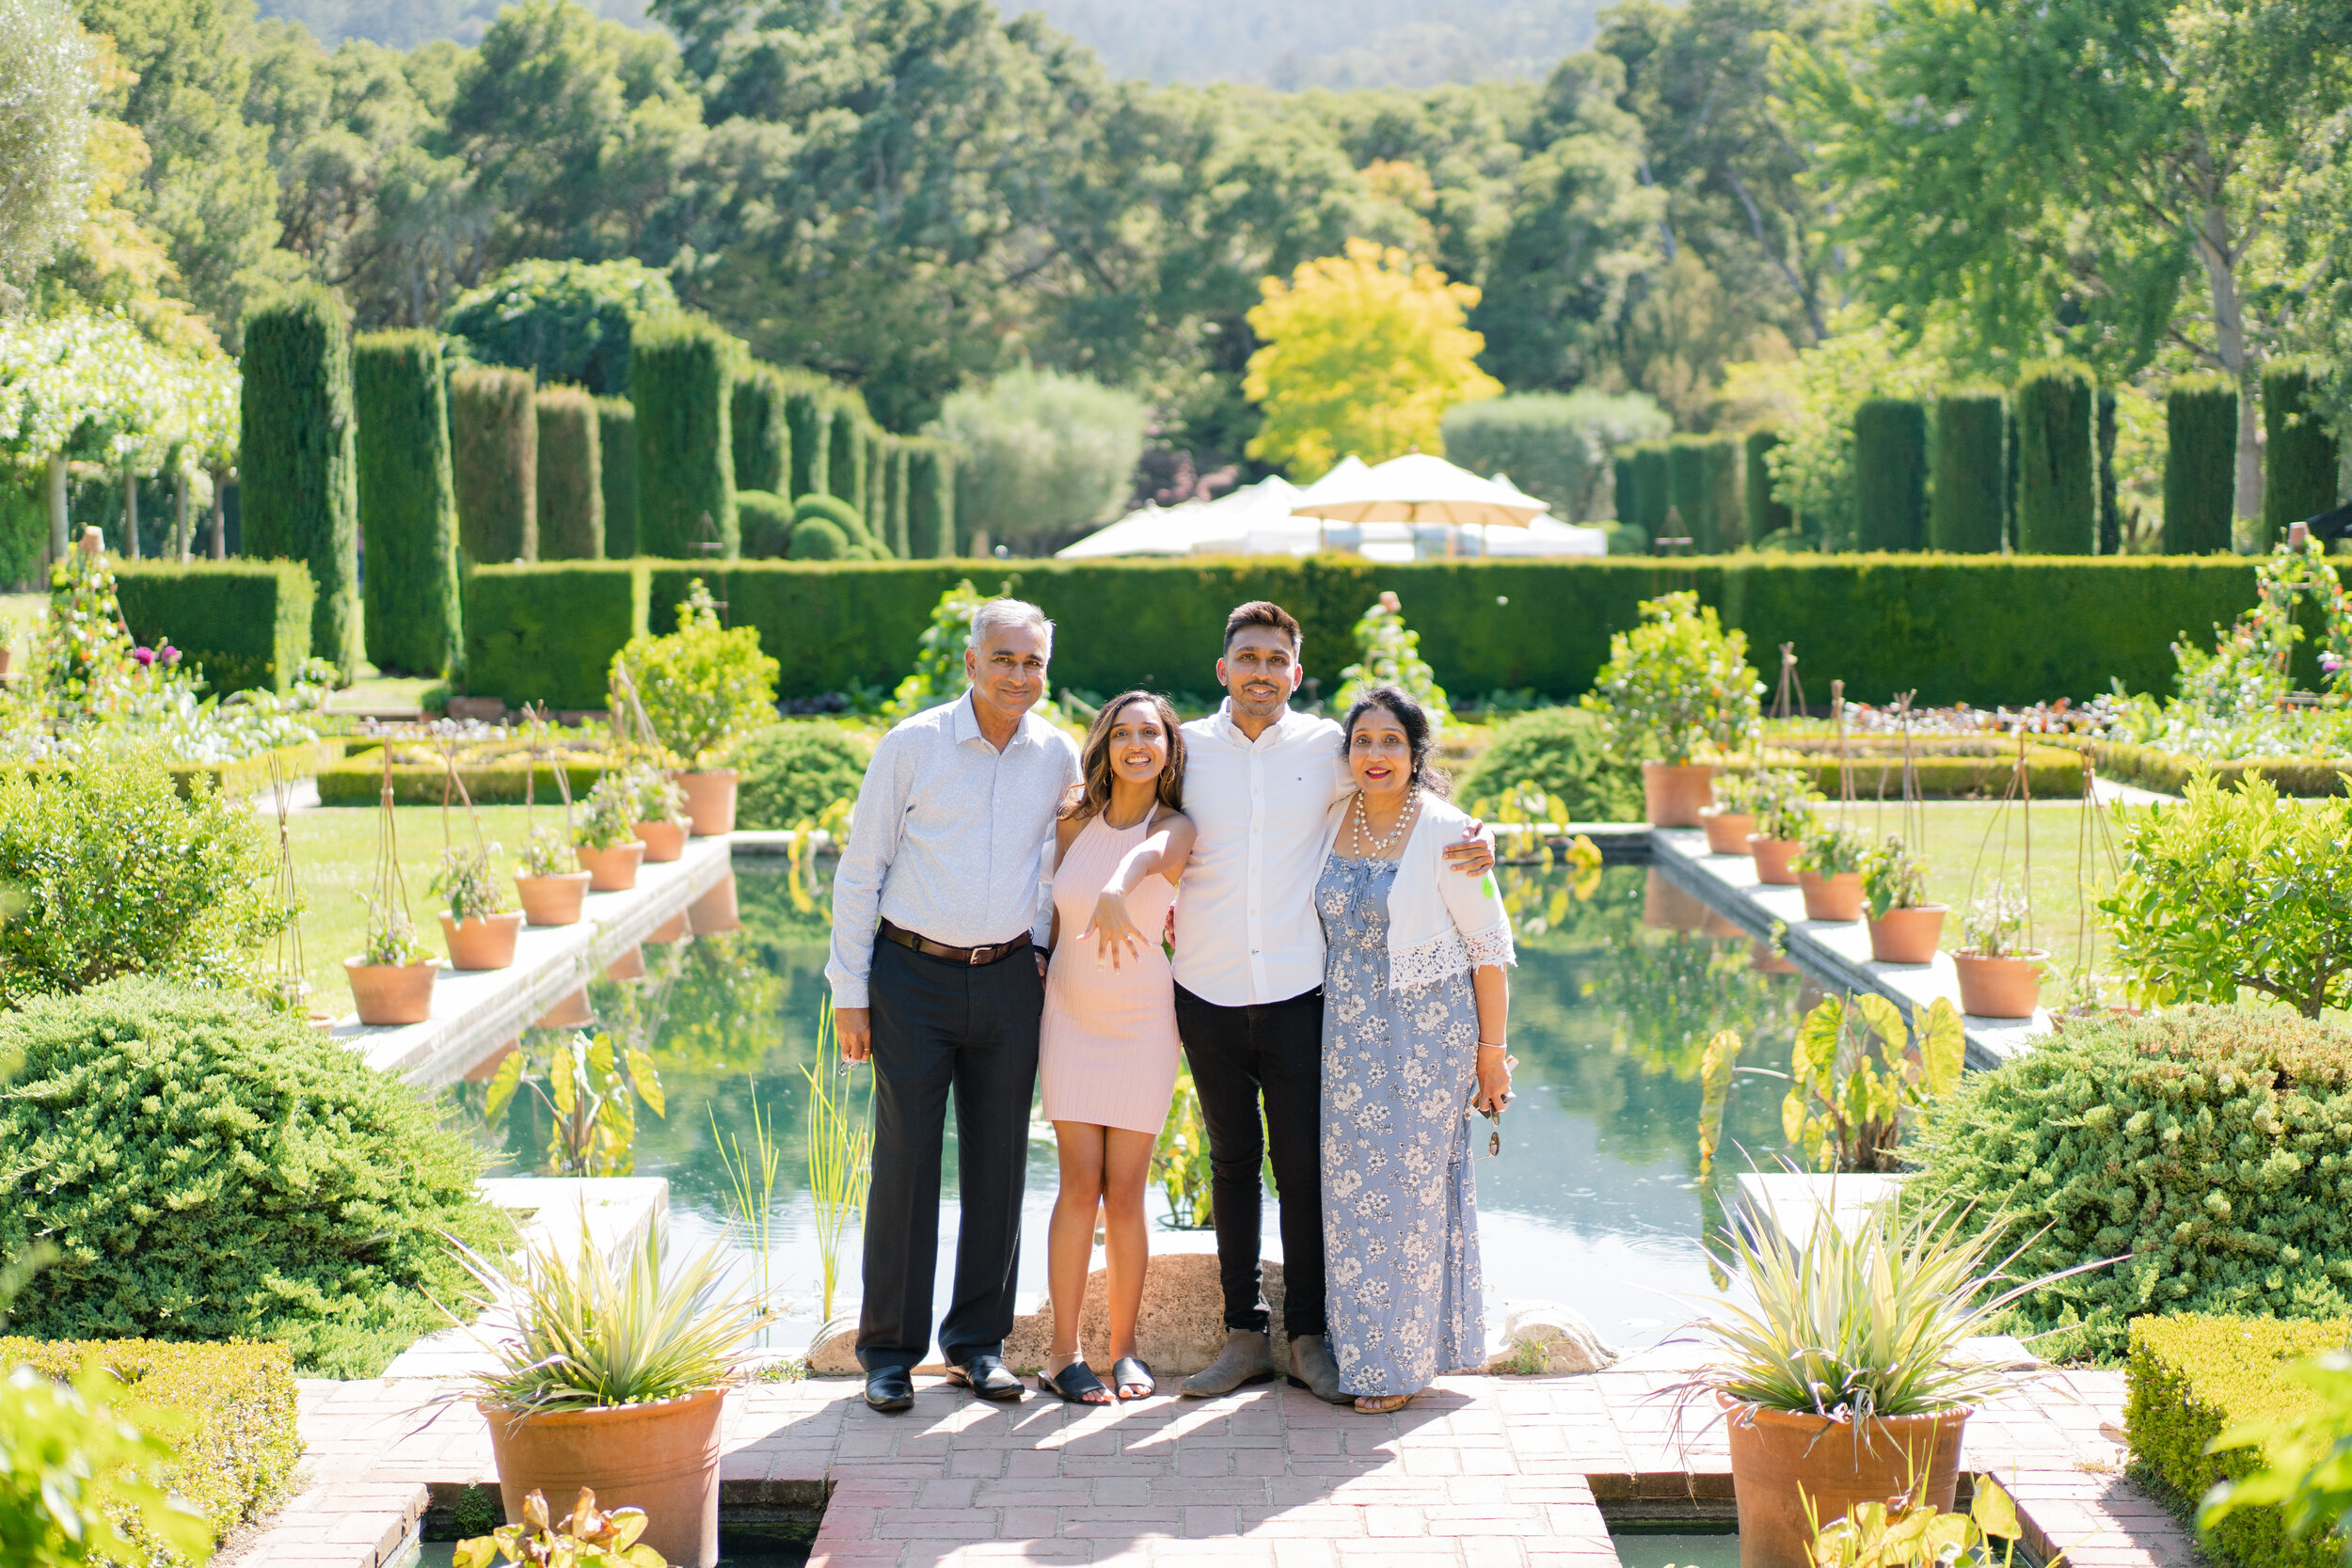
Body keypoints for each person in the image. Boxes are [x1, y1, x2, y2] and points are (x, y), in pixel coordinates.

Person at [1092, 600, 1492, 1404]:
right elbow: (1122, 802)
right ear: (1224, 668)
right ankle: (1243, 1335)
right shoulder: (1185, 750)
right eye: (1249, 656)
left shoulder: (1327, 749)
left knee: (1307, 1166)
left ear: (1296, 673)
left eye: (1278, 659)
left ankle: (1309, 1337)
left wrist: (1486, 837)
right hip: (1203, 988)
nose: (1263, 671)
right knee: (1231, 1164)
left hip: (1301, 995)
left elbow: (1410, 790)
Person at [826, 598, 1081, 1414]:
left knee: (1001, 1160)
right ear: (971, 661)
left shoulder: (1058, 754)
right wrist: (850, 993)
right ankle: (890, 1353)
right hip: (912, 974)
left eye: (1032, 661)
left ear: (1047, 668)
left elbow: (1059, 863)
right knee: (904, 1163)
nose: (1018, 674)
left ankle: (976, 1344)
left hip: (1010, 978)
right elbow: (861, 869)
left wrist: (1040, 952)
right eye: (1003, 658)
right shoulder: (913, 745)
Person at [1316, 685, 1513, 1414]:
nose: (1376, 754)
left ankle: (1397, 1367)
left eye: (1391, 741)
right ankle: (1366, 1352)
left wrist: (1491, 1054)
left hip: (1426, 1038)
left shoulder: (1449, 830)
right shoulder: (1333, 817)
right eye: (1363, 740)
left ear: (1415, 752)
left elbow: (1488, 947)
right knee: (1350, 1196)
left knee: (1410, 1196)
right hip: (1345, 1041)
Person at [1033, 691, 1192, 1404]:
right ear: (1105, 743)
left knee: (1125, 1192)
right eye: (1122, 732)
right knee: (1079, 1183)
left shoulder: (1177, 826)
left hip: (1142, 1021)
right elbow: (1045, 902)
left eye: (1149, 733)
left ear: (1168, 746)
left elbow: (1157, 856)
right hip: (1068, 1014)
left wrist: (1122, 882)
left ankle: (1125, 1352)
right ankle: (1062, 1353)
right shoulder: (1073, 820)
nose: (1136, 744)